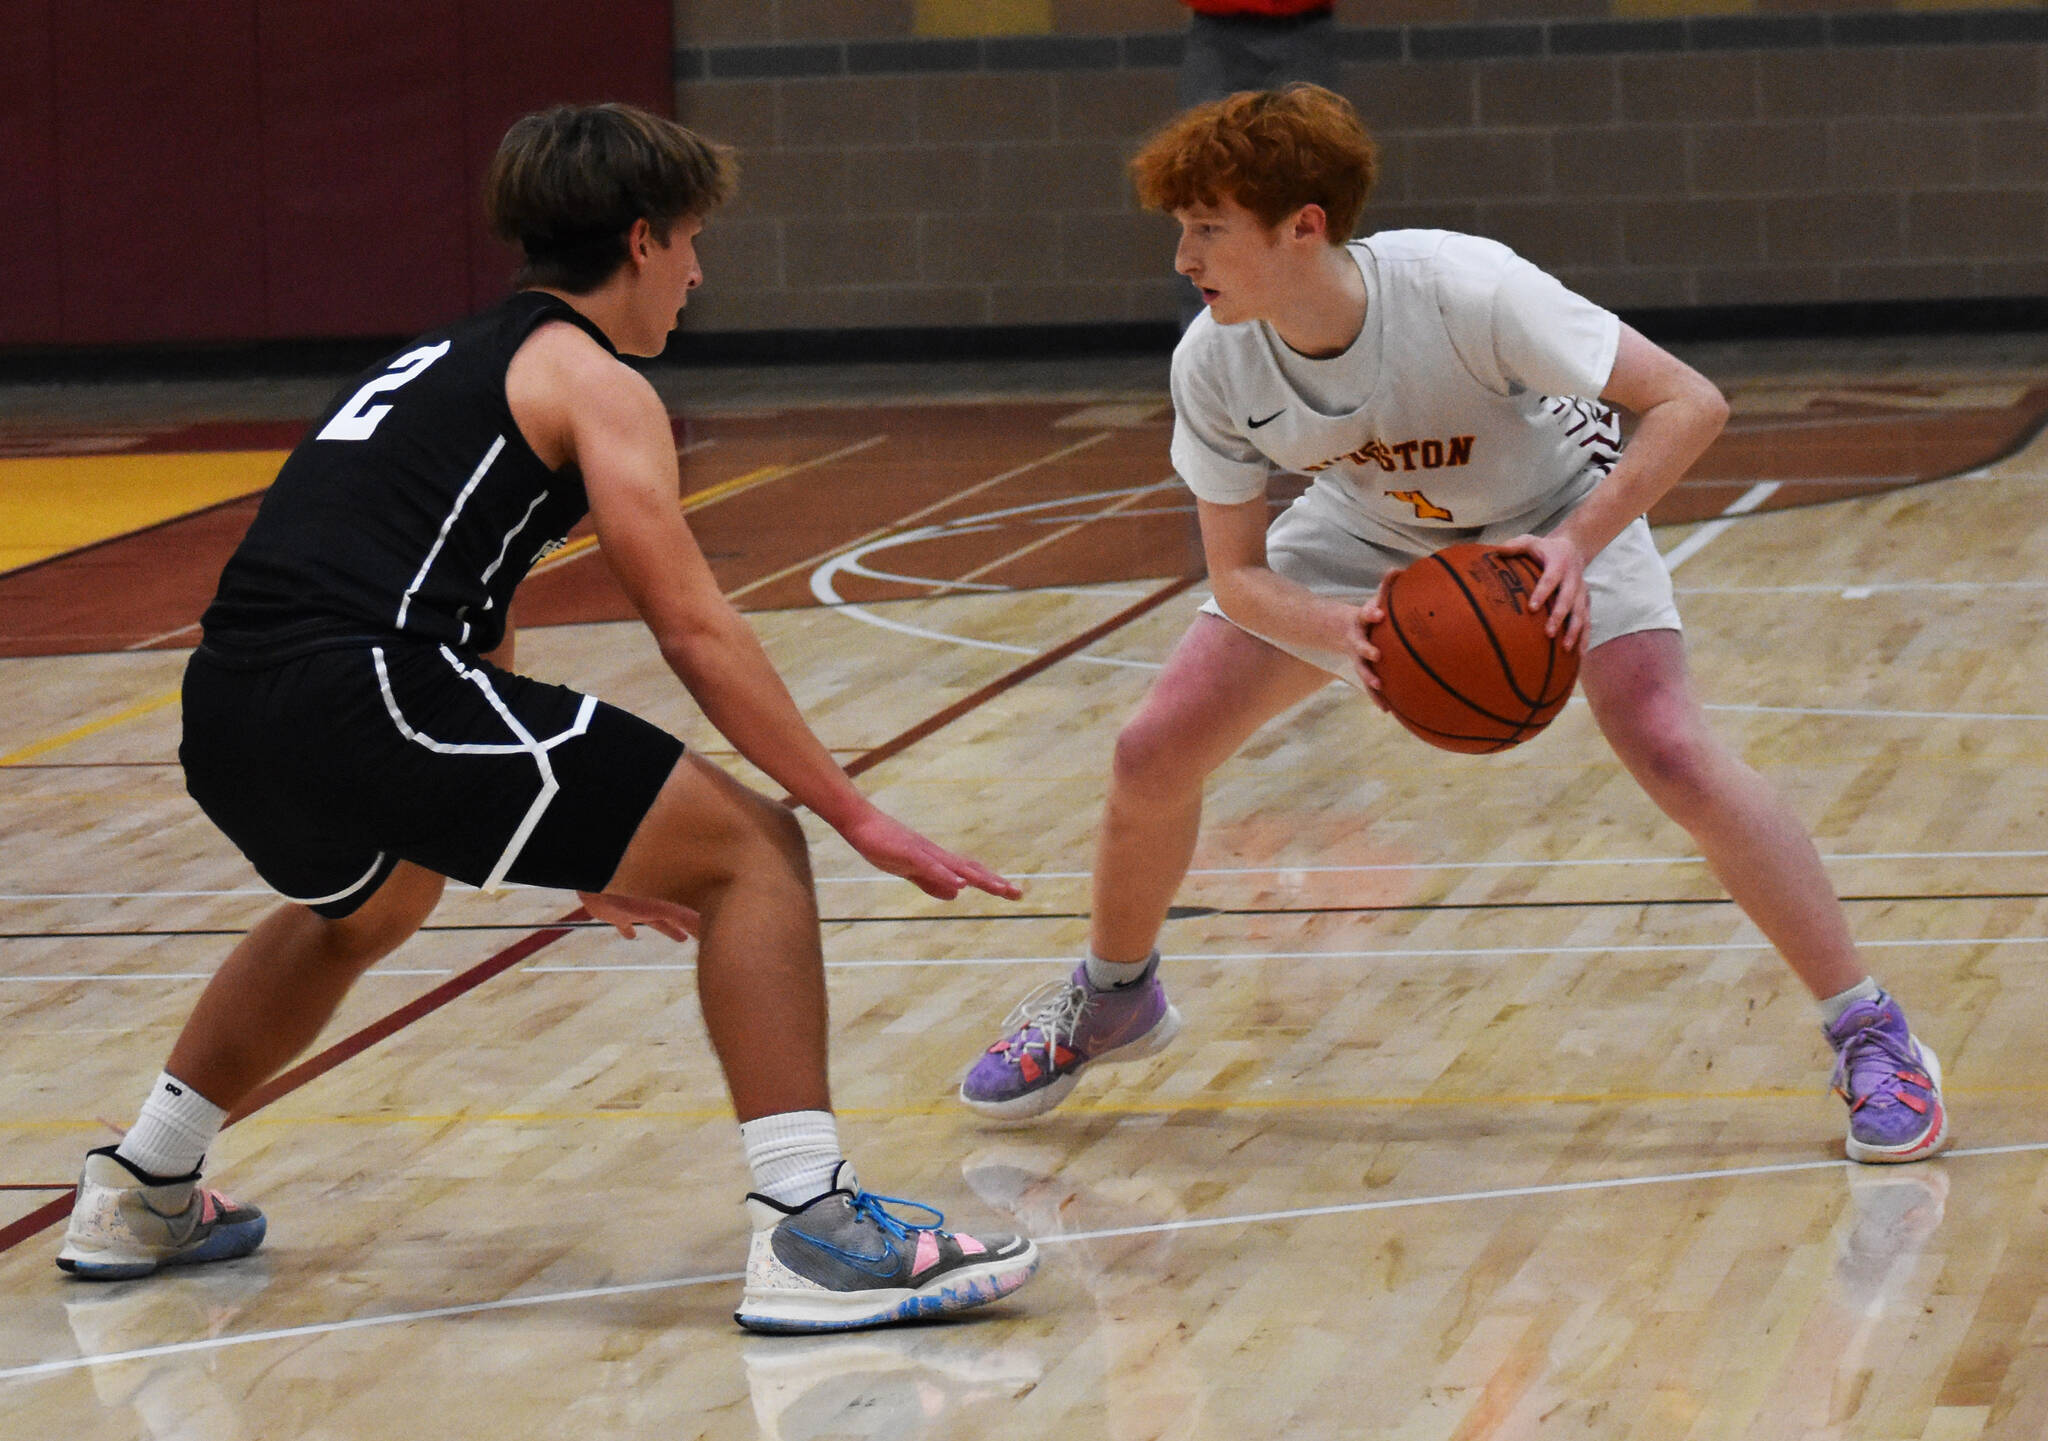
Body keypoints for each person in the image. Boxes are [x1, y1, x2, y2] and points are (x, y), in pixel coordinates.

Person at [58, 102, 1040, 1334]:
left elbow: (473, 607)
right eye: (690, 241)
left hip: (230, 706)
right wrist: (849, 811)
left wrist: (567, 844)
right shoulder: (593, 377)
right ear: (640, 240)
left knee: (368, 907)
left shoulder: (445, 358)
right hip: (366, 685)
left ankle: (145, 1180)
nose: (697, 271)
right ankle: (811, 1226)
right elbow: (690, 624)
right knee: (754, 852)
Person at [959, 85, 1949, 1169]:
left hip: (1553, 515)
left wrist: (1572, 547)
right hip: (1366, 524)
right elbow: (1235, 575)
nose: (1182, 257)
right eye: (1179, 229)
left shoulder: (1462, 288)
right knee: (1150, 748)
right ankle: (1112, 998)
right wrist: (1346, 634)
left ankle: (1869, 1029)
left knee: (1667, 744)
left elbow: (1687, 404)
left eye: (1207, 228)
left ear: (1302, 225)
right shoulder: (1214, 358)